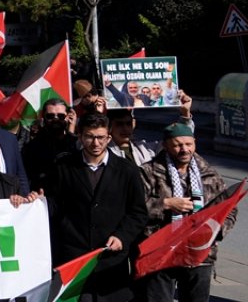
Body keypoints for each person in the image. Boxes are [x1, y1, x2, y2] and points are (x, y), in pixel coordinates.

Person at [43, 113, 147, 302]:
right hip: (75, 260)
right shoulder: (63, 167)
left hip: (112, 262)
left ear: (109, 137)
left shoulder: (127, 170)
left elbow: (138, 212)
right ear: (81, 137)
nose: (95, 143)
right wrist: (36, 204)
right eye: (90, 137)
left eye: (100, 137)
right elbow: (53, 206)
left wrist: (122, 236)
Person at [139, 123, 237, 302]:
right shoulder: (148, 172)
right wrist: (165, 204)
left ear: (195, 143)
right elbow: (134, 209)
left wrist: (215, 232)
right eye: (177, 145)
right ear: (166, 145)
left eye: (188, 144)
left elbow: (229, 209)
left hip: (199, 254)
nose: (184, 149)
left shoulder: (208, 173)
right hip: (160, 252)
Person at [22, 98, 78, 188]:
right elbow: (26, 177)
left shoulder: (76, 143)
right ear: (43, 117)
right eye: (50, 116)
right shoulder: (32, 147)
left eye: (60, 116)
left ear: (68, 117)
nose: (55, 119)